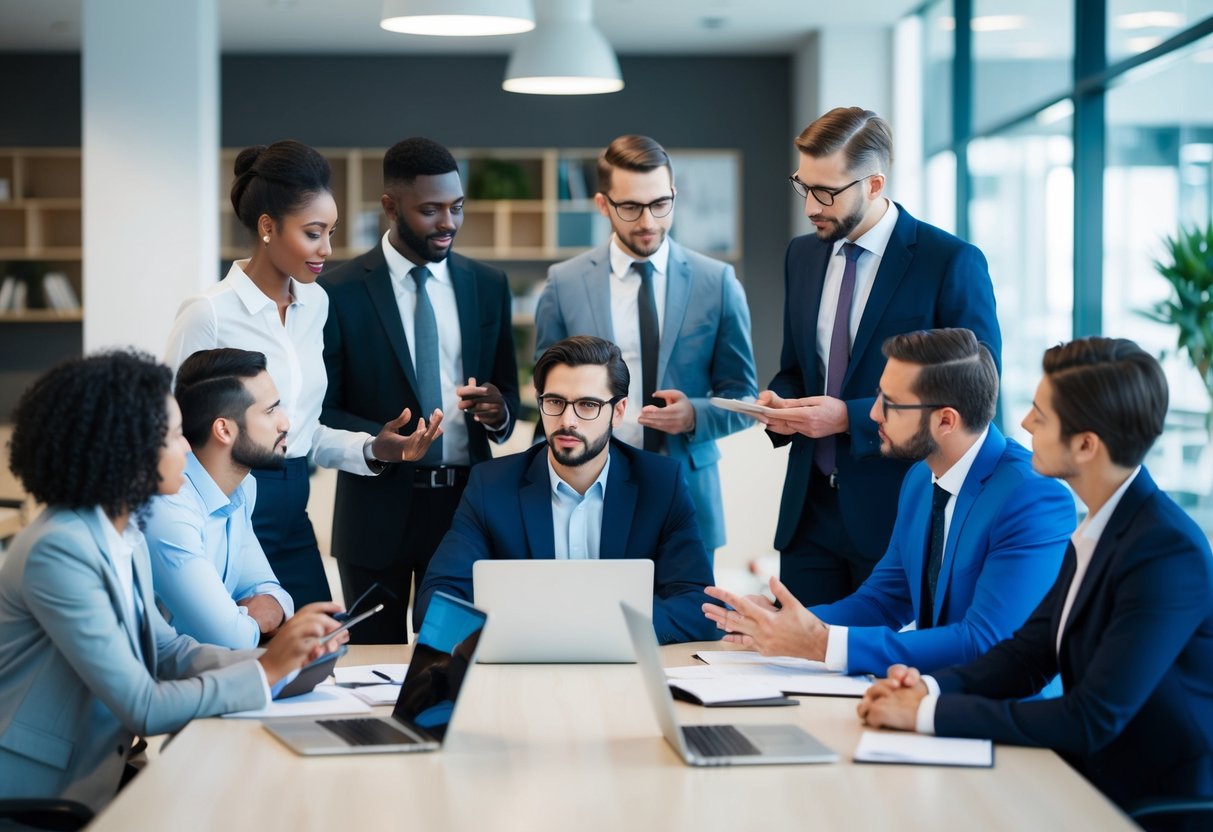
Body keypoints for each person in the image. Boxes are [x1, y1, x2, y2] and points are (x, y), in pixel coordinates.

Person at [858, 337, 1213, 814]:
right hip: (1085, 777)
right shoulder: (1100, 524)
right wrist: (931, 688)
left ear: (1086, 445)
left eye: (1040, 417)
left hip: (1150, 802)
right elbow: (1030, 654)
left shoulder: (1165, 551)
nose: (1023, 423)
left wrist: (927, 714)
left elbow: (1090, 717)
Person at [0, 350, 346, 813]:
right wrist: (265, 671)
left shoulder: (122, 532)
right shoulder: (61, 549)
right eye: (173, 436)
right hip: (39, 793)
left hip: (102, 768)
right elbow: (143, 704)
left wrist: (283, 661)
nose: (187, 447)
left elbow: (167, 651)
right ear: (124, 450)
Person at [703, 329, 1074, 676]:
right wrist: (784, 623)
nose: (873, 413)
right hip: (927, 699)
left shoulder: (1030, 496)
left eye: (891, 404)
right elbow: (883, 602)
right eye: (880, 395)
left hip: (1001, 721)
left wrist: (820, 643)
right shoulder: (918, 478)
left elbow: (983, 642)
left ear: (946, 420)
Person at [165, 140, 439, 609]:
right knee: (239, 649)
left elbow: (304, 432)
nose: (327, 250)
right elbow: (166, 426)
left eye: (331, 232)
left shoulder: (316, 304)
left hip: (295, 503)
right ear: (267, 227)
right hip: (226, 508)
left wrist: (375, 447)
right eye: (313, 233)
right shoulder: (208, 313)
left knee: (323, 642)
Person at [759, 107, 1002, 606]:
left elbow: (975, 392)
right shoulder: (802, 256)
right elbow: (797, 369)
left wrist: (847, 418)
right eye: (803, 186)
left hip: (897, 507)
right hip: (808, 514)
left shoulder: (949, 262)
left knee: (878, 670)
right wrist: (779, 405)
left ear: (873, 185)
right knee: (798, 664)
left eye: (826, 192)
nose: (810, 206)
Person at [320, 136, 519, 643]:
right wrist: (379, 441)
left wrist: (497, 413)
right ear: (390, 206)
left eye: (456, 207)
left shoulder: (487, 285)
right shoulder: (336, 292)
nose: (448, 223)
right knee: (368, 667)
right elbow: (321, 411)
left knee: (450, 663)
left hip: (464, 513)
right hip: (374, 512)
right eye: (430, 210)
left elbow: (509, 402)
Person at [534, 134, 758, 557]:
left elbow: (744, 398)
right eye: (631, 208)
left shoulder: (717, 283)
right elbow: (545, 389)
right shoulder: (564, 283)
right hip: (586, 490)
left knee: (687, 622)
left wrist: (696, 413)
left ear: (673, 195)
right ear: (603, 205)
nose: (649, 221)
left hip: (687, 491)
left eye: (660, 204)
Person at [414, 336, 716, 644]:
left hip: (626, 672)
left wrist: (597, 629)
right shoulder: (490, 486)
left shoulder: (661, 484)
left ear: (619, 411)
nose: (567, 421)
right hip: (525, 674)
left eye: (588, 404)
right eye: (555, 402)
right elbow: (434, 605)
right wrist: (540, 633)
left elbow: (700, 606)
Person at [144, 348, 296, 649]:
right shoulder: (169, 506)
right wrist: (244, 622)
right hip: (170, 683)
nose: (285, 423)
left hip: (212, 673)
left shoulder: (244, 486)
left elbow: (272, 593)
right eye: (270, 411)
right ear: (224, 430)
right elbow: (229, 637)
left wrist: (244, 617)